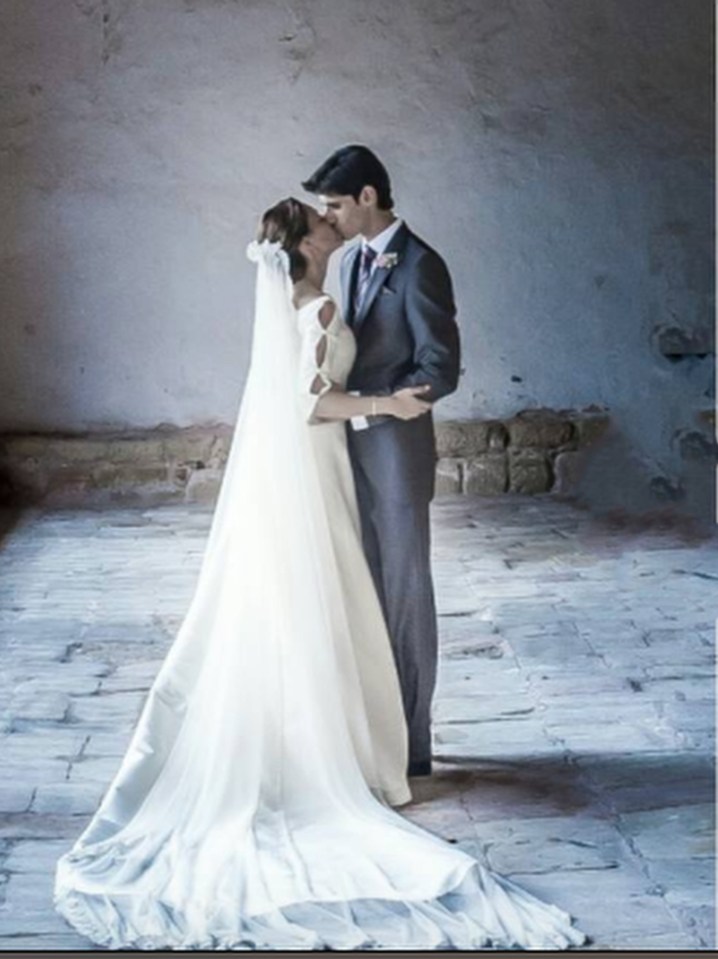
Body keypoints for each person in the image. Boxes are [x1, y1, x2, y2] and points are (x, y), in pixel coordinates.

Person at [53, 197, 585, 950]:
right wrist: (390, 404)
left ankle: (329, 738)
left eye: (332, 209)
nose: (333, 220)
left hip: (311, 468)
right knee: (331, 594)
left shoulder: (308, 297)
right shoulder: (319, 303)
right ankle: (339, 754)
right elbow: (311, 404)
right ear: (306, 244)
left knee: (321, 600)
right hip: (317, 463)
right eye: (321, 219)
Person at [302, 145, 459, 777]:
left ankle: (413, 746)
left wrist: (380, 409)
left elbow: (439, 368)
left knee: (403, 591)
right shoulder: (350, 265)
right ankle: (377, 736)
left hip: (394, 454)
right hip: (348, 452)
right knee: (365, 593)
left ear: (368, 197)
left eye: (335, 204)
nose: (329, 217)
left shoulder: (421, 265)